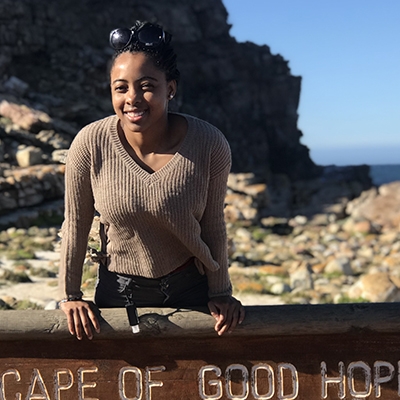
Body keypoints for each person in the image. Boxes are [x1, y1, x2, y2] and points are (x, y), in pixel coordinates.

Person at [59, 20, 245, 340]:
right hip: (119, 294)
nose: (133, 98)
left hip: (192, 293)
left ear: (170, 88)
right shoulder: (90, 144)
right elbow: (75, 224)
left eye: (146, 85)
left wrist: (221, 293)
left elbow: (213, 224)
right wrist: (70, 296)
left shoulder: (209, 143)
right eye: (121, 88)